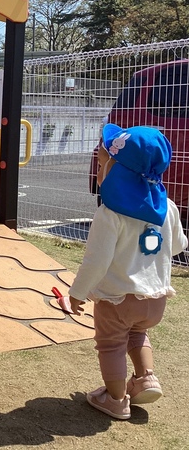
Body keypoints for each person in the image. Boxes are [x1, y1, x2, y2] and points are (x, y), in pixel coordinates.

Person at [67, 124, 188, 420]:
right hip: (155, 299)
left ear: (119, 172)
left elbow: (96, 261)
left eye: (103, 162)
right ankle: (146, 377)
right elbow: (178, 246)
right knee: (138, 333)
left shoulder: (110, 214)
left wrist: (77, 293)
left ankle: (116, 399)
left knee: (111, 346)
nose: (99, 168)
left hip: (117, 300)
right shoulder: (168, 207)